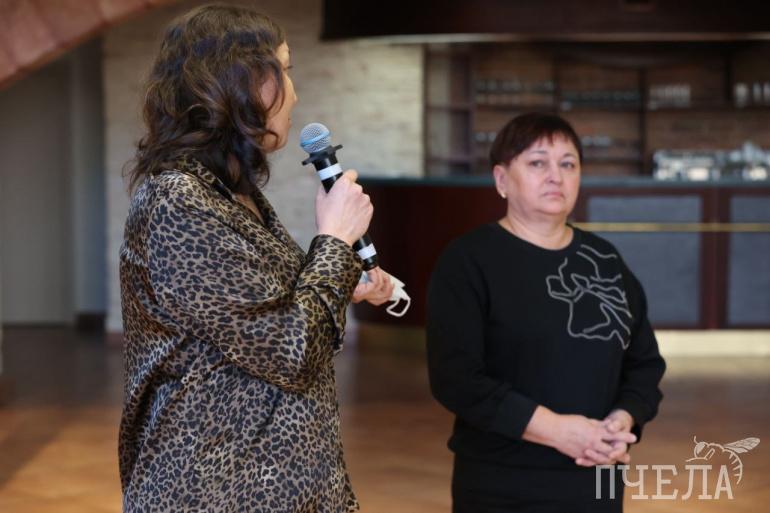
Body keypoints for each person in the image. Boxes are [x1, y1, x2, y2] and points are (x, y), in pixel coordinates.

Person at [118, 5, 393, 512]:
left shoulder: (229, 192)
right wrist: (335, 241)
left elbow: (261, 313)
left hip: (286, 481)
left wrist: (342, 279)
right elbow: (291, 351)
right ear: (232, 82)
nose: (294, 93)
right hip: (217, 489)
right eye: (283, 70)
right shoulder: (178, 200)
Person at [426, 112, 666, 512]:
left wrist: (623, 420)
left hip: (596, 476)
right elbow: (456, 379)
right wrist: (557, 431)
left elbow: (644, 364)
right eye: (538, 163)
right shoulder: (468, 261)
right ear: (502, 180)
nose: (556, 176)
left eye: (568, 164)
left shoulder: (605, 260)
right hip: (502, 484)